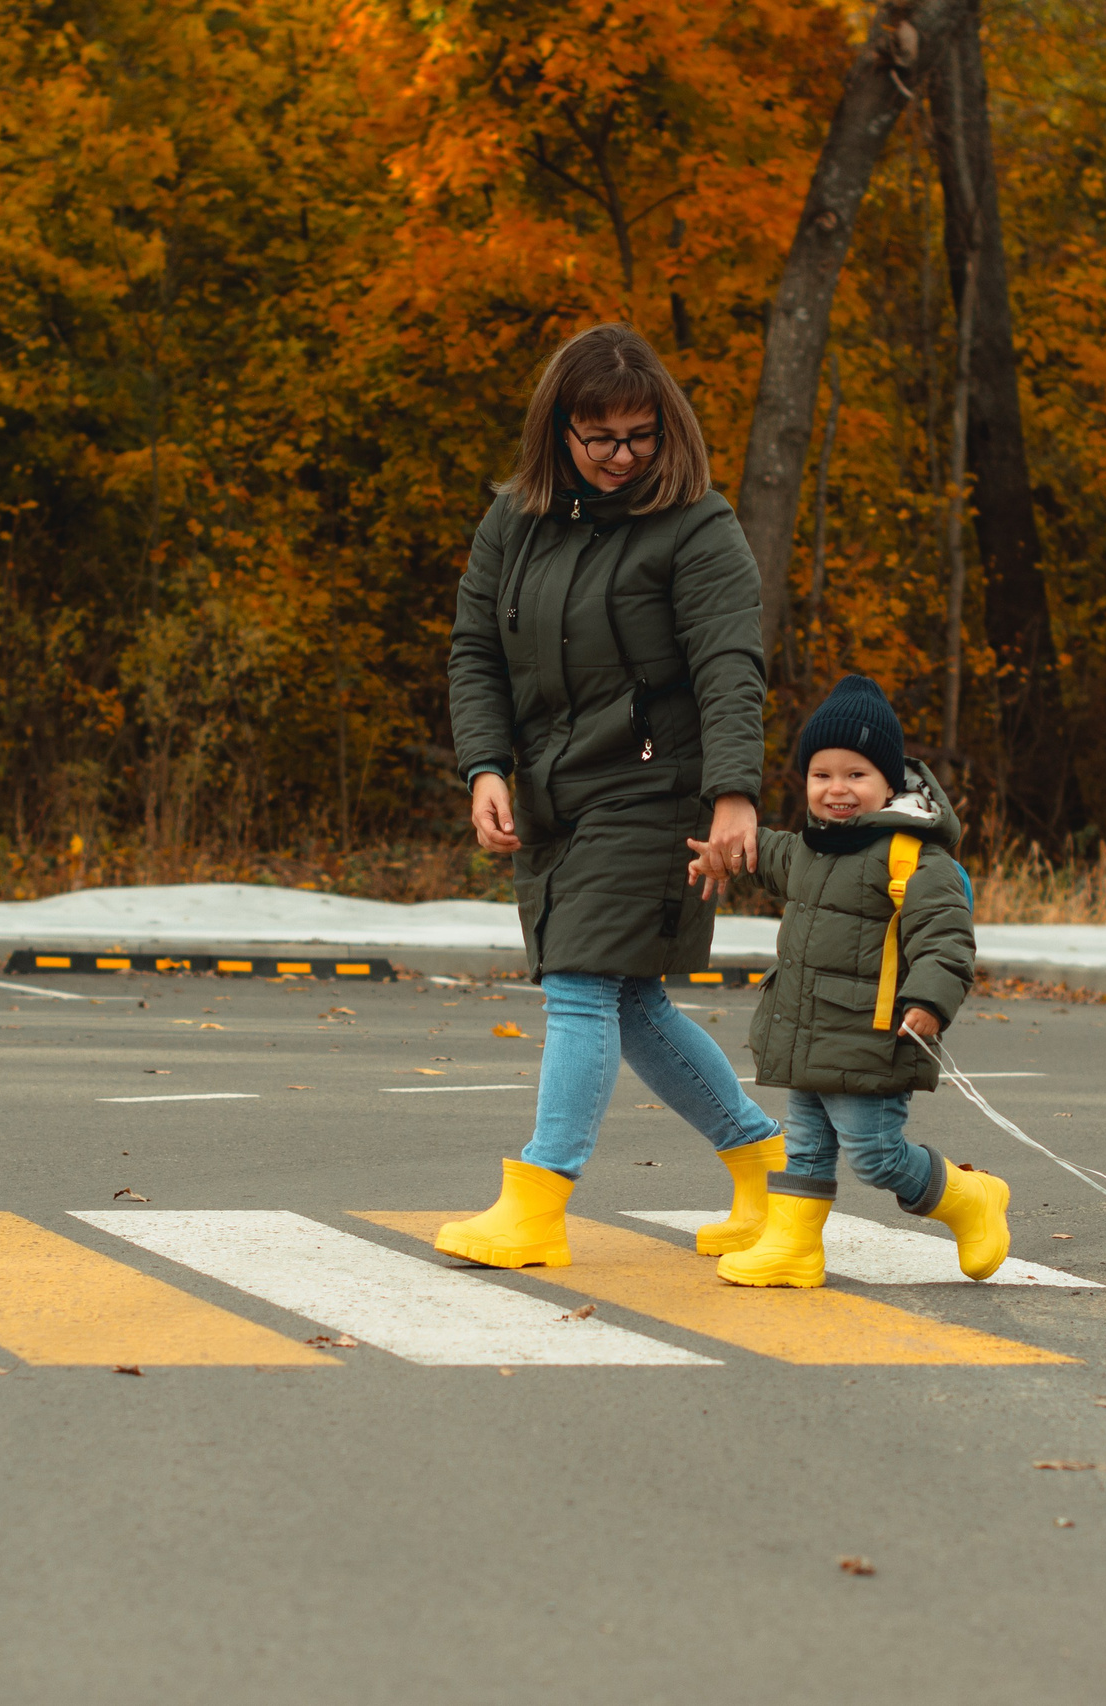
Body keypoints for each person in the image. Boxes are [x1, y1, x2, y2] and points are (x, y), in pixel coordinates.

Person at [438, 323, 786, 1270]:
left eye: (641, 437)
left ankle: (538, 1199)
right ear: (561, 432)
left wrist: (732, 795)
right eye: (601, 440)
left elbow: (729, 664)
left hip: (654, 789)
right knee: (630, 1001)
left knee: (583, 986)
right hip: (557, 790)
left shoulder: (696, 526)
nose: (623, 457)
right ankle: (765, 1165)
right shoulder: (516, 519)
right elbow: (476, 651)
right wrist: (486, 767)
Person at [681, 672, 1011, 1286]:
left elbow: (946, 940)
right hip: (809, 1031)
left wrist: (929, 1004)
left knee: (876, 1156)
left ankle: (970, 1198)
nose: (837, 790)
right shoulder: (807, 850)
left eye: (856, 775)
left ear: (890, 782)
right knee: (805, 1146)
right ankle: (794, 1248)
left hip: (873, 1035)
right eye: (822, 775)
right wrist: (720, 855)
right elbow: (757, 852)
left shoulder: (915, 859)